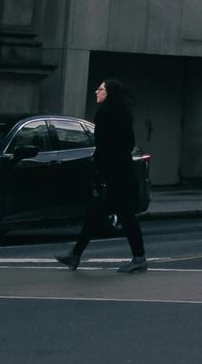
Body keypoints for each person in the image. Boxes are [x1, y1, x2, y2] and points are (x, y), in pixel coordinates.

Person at [56, 77, 147, 274]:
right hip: (123, 172)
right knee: (100, 213)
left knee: (122, 215)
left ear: (109, 94)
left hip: (114, 174)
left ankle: (139, 258)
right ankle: (76, 254)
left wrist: (98, 170)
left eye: (100, 89)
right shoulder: (124, 114)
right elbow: (128, 144)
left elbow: (103, 147)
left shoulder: (105, 114)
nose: (96, 92)